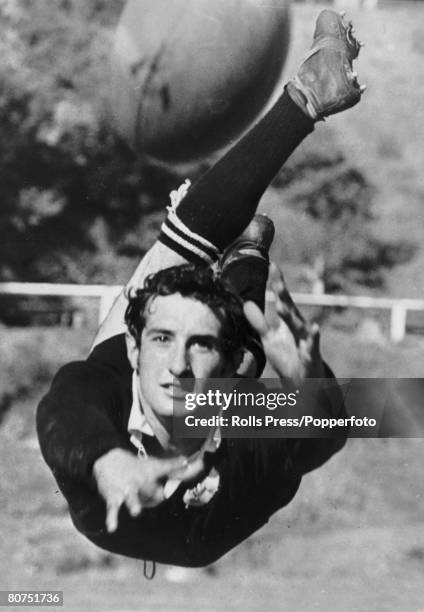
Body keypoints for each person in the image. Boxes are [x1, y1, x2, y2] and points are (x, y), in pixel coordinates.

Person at [37, 10, 364, 568]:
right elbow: (63, 415)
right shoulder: (105, 386)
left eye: (200, 348)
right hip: (131, 462)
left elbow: (338, 430)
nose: (178, 365)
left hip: (216, 522)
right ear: (138, 347)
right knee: (191, 280)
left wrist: (311, 384)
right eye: (161, 340)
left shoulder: (244, 416)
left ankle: (247, 251)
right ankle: (251, 233)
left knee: (248, 344)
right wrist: (108, 463)